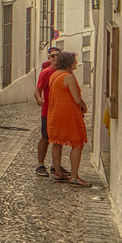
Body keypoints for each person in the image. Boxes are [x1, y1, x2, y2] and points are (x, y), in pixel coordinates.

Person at [47, 50, 91, 186]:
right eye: (74, 61)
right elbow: (76, 98)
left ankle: (58, 171)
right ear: (69, 63)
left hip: (55, 114)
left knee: (57, 142)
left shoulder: (54, 75)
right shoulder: (68, 77)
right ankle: (74, 177)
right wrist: (84, 106)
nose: (76, 63)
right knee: (77, 143)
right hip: (68, 115)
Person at [35, 47, 62, 176]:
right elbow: (38, 90)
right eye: (53, 56)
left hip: (60, 111)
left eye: (57, 55)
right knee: (45, 137)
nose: (55, 58)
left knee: (58, 139)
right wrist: (39, 99)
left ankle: (55, 165)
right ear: (49, 58)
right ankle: (40, 165)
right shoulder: (46, 72)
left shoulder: (65, 71)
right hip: (48, 111)